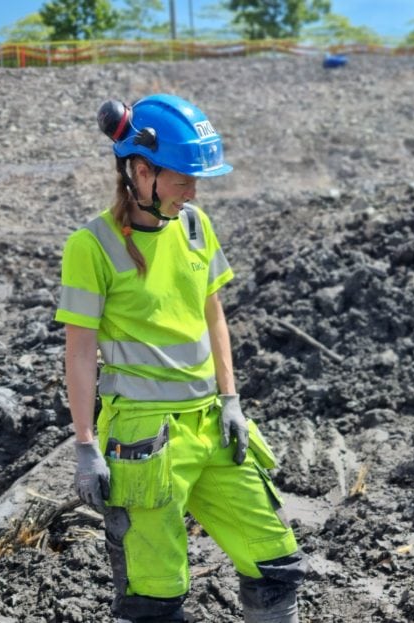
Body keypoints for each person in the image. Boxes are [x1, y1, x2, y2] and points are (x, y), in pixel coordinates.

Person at [55, 94, 306, 623]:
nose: (193, 191)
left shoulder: (194, 226)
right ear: (140, 171)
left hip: (212, 424)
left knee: (275, 561)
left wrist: (232, 399)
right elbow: (79, 354)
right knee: (155, 597)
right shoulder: (92, 246)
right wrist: (84, 446)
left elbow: (214, 316)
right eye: (183, 179)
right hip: (143, 440)